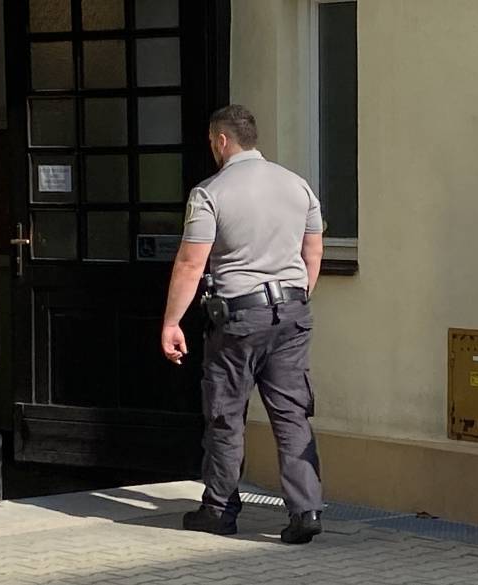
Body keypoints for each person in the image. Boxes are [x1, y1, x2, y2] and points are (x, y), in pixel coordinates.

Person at [160, 104, 326, 545]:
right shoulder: (297, 185)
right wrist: (297, 296)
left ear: (221, 140)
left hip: (238, 319)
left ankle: (219, 510)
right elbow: (313, 251)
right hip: (292, 314)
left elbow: (191, 262)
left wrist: (172, 321)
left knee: (225, 414)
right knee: (291, 413)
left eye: (211, 142)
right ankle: (306, 510)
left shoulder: (210, 193)